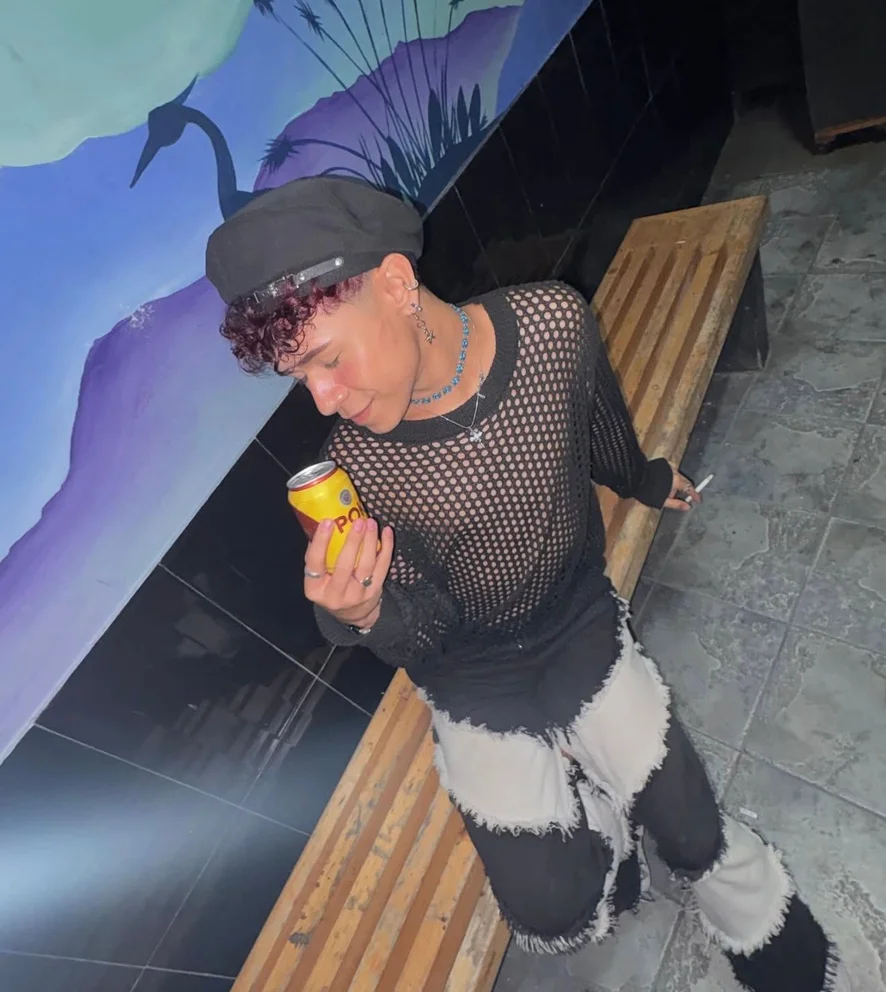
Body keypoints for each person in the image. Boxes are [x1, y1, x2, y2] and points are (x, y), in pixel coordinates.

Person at [205, 176, 848, 992]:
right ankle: (596, 809)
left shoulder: (551, 325)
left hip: (578, 624)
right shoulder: (357, 465)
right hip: (474, 678)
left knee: (691, 831)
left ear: (396, 283)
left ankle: (754, 918)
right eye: (300, 377)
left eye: (327, 359)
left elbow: (599, 427)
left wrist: (644, 479)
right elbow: (430, 636)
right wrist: (362, 614)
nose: (324, 398)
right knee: (549, 909)